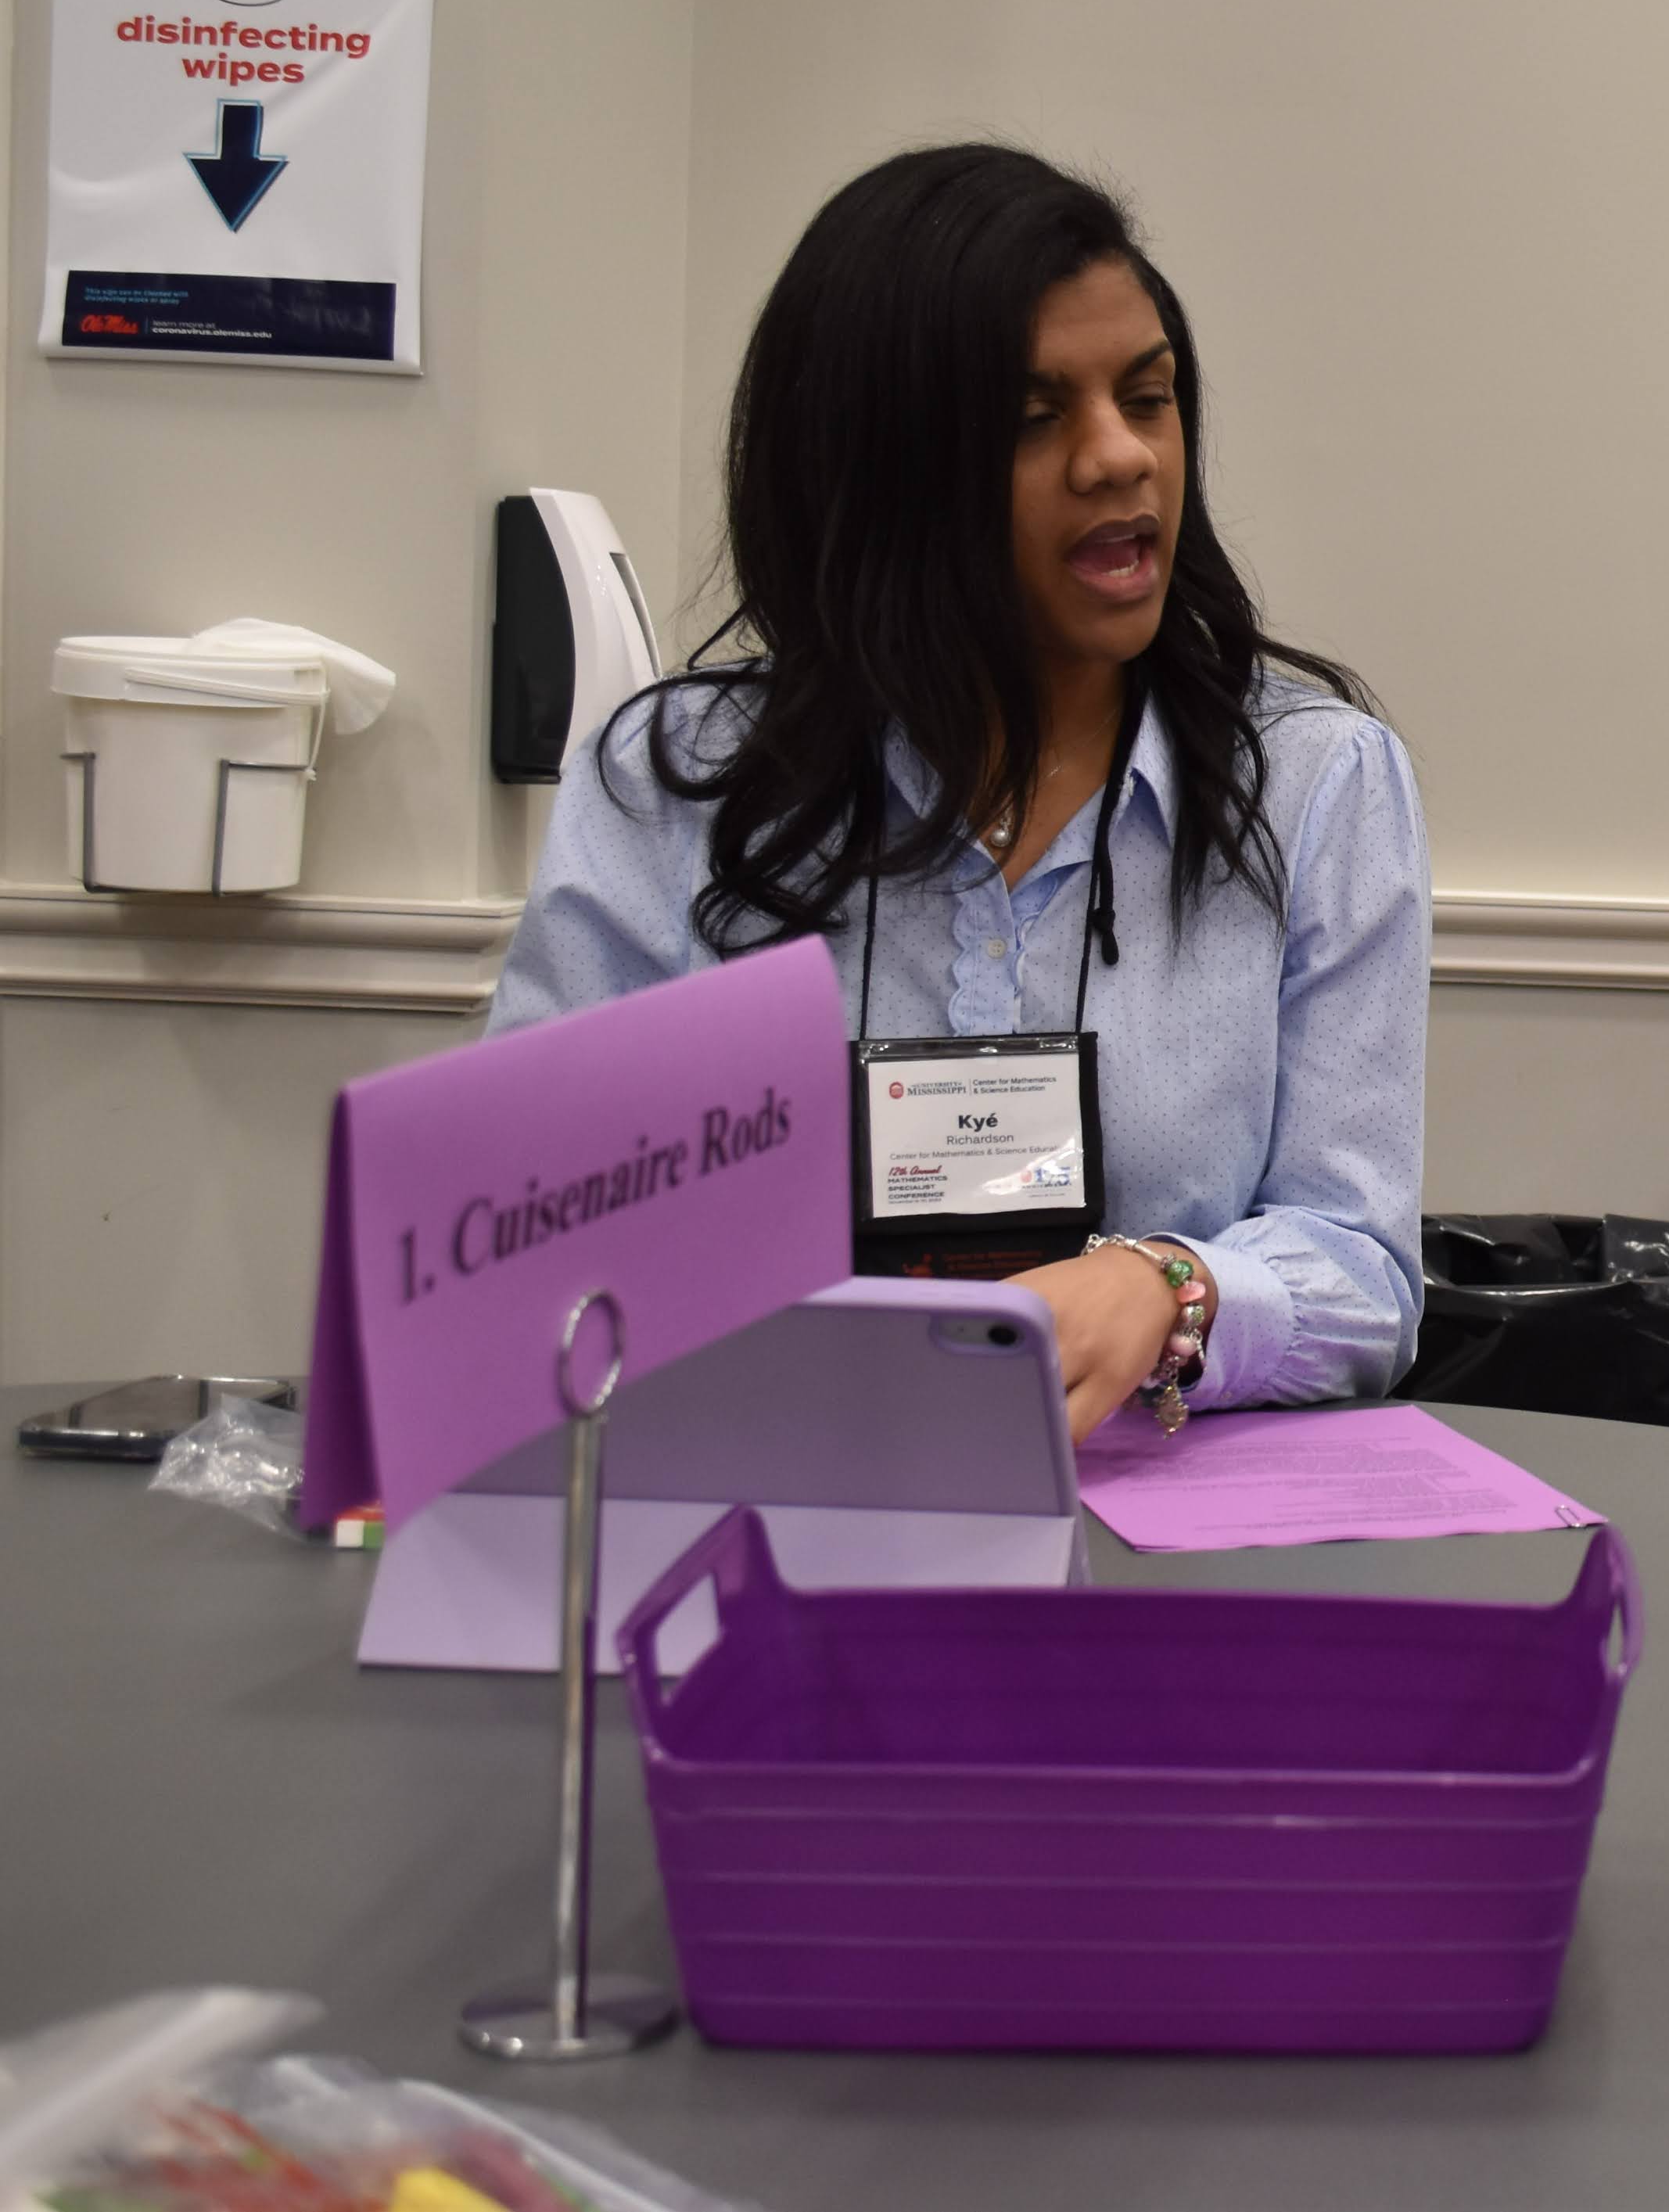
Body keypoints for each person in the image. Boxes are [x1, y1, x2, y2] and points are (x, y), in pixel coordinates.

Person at [492, 143, 1430, 1435]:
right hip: (762, 1518)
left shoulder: (1316, 785)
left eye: (1146, 397)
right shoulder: (681, 791)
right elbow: (524, 1238)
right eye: (1031, 418)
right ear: (876, 474)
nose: (1120, 459)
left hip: (1152, 1547)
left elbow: (1365, 1270)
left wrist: (1168, 1285)